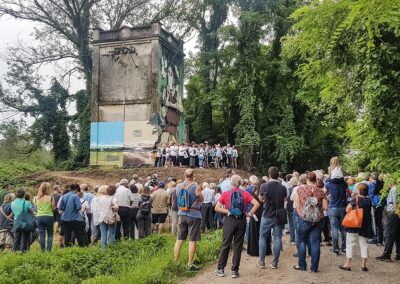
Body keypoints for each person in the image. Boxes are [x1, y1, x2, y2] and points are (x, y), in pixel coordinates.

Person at [214, 175, 260, 278]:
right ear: (240, 183)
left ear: (231, 183)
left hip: (229, 220)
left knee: (226, 244)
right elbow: (257, 204)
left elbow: (217, 208)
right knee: (238, 245)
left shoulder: (226, 194)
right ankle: (235, 271)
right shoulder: (245, 193)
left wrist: (229, 211)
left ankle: (221, 269)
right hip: (241, 220)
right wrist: (249, 213)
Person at [293, 172, 327, 272]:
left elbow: (297, 206)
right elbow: (325, 207)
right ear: (315, 179)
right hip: (317, 220)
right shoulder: (321, 191)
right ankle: (314, 268)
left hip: (304, 219)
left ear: (307, 179)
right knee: (315, 242)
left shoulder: (300, 190)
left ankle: (302, 265)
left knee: (301, 241)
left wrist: (301, 216)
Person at [174, 169, 203, 271]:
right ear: (193, 175)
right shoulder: (195, 187)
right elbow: (201, 199)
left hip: (181, 214)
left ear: (184, 175)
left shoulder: (178, 186)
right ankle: (190, 264)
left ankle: (176, 263)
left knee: (179, 240)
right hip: (194, 215)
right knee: (192, 241)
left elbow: (178, 198)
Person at [258, 166, 287, 269]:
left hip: (266, 215)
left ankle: (261, 261)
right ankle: (275, 262)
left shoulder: (264, 186)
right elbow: (284, 199)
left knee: (262, 237)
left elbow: (260, 199)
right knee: (278, 238)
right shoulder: (283, 187)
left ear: (269, 174)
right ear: (278, 175)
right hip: (278, 216)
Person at [339, 183, 373, 272]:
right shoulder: (369, 200)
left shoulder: (355, 199)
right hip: (365, 225)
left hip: (354, 224)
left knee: (350, 244)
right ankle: (363, 265)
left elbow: (347, 209)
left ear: (359, 190)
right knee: (364, 245)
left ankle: (347, 265)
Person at [325, 166, 348, 255]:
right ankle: (344, 247)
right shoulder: (344, 183)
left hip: (333, 207)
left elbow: (324, 193)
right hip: (342, 207)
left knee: (334, 228)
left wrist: (328, 197)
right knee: (343, 228)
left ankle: (336, 248)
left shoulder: (328, 184)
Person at [376, 182, 400, 262]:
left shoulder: (394, 189)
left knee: (389, 234)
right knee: (397, 235)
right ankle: (398, 254)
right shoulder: (397, 188)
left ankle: (387, 254)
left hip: (393, 213)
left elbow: (394, 204)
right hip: (397, 213)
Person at [33, 182, 56, 252]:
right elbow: (53, 208)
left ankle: (42, 250)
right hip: (49, 217)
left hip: (40, 217)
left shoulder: (35, 198)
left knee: (42, 234)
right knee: (50, 234)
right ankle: (48, 250)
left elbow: (35, 208)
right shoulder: (51, 197)